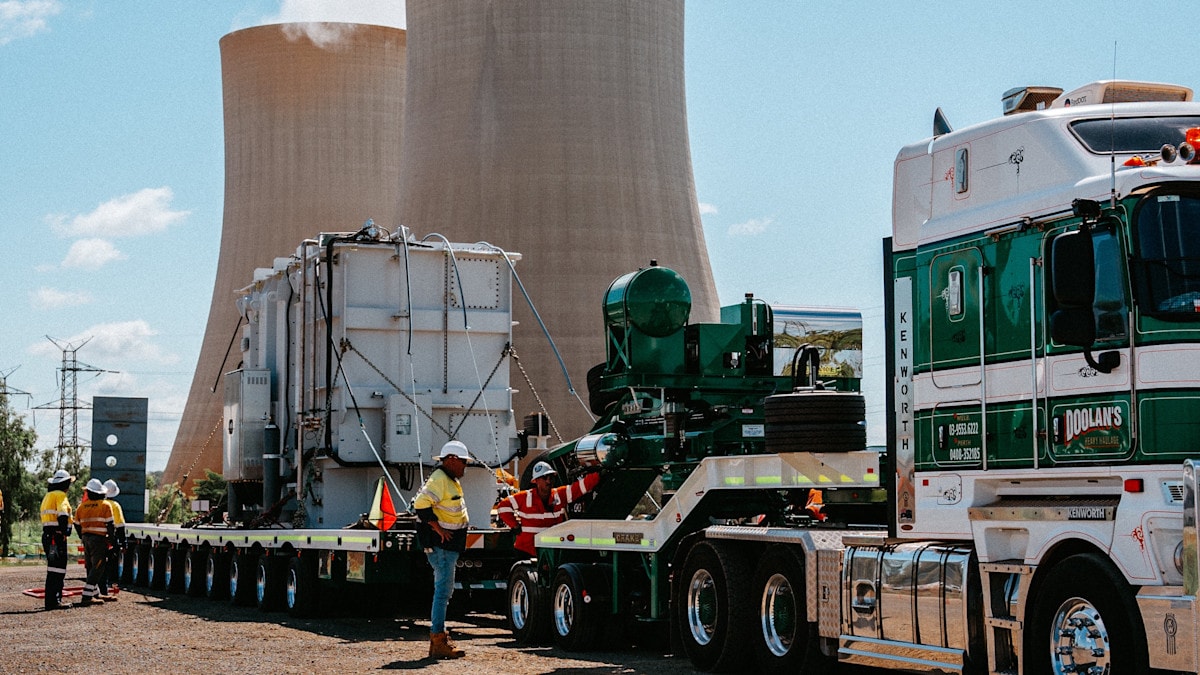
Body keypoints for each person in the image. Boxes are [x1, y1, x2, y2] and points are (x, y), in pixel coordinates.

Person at [413, 440, 473, 659]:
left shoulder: (448, 479)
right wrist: (437, 528)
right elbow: (420, 505)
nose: (465, 466)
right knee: (443, 593)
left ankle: (438, 640)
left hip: (447, 545)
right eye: (463, 462)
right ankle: (438, 639)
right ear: (452, 460)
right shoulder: (440, 479)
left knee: (444, 592)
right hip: (443, 547)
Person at [495, 461, 602, 557]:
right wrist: (515, 525)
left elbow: (580, 487)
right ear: (535, 481)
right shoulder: (525, 497)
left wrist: (599, 474)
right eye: (545, 477)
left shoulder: (560, 495)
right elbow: (503, 506)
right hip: (526, 551)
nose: (548, 481)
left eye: (551, 477)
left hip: (550, 551)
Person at [74, 479, 115, 607]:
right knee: (98, 567)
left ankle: (95, 594)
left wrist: (83, 535)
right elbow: (110, 525)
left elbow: (76, 524)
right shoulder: (105, 505)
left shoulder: (81, 507)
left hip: (86, 538)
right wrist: (112, 541)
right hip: (99, 540)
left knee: (90, 566)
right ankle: (87, 596)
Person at [40, 469, 75, 610]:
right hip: (57, 538)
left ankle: (50, 600)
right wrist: (65, 530)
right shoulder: (61, 496)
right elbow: (62, 513)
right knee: (58, 569)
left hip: (48, 536)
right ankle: (55, 600)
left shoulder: (48, 496)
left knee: (52, 568)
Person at [100, 479, 125, 598]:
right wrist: (123, 543)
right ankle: (113, 587)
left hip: (99, 537)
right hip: (112, 538)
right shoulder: (115, 506)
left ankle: (101, 588)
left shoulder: (100, 504)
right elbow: (120, 526)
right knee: (112, 564)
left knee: (100, 564)